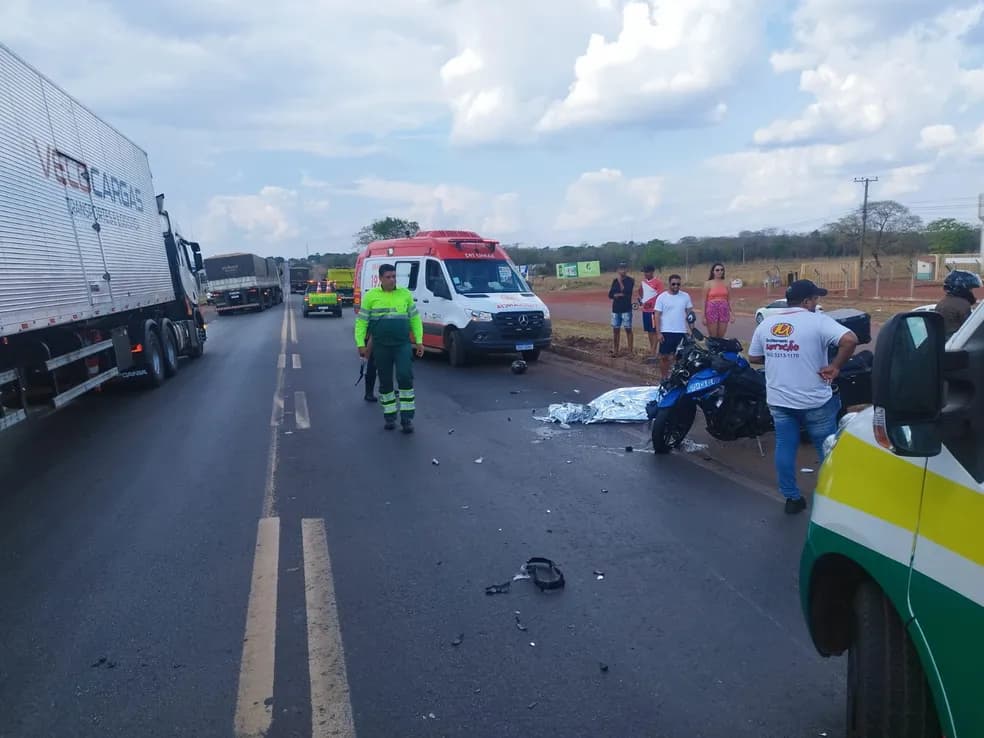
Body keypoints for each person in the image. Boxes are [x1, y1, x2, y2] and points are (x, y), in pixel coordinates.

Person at [748, 280, 858, 515]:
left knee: (785, 446)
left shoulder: (767, 323)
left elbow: (754, 357)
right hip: (815, 400)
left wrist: (780, 357)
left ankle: (791, 498)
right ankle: (833, 498)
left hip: (779, 400)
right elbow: (850, 340)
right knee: (825, 447)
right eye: (815, 299)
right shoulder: (818, 321)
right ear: (807, 301)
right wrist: (836, 366)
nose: (817, 303)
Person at [354, 264, 424, 433]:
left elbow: (415, 319)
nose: (392, 280)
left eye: (394, 276)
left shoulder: (405, 294)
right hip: (381, 346)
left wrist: (419, 341)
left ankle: (407, 419)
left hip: (402, 345)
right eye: (388, 277)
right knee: (385, 382)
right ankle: (390, 416)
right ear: (380, 278)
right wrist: (360, 344)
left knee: (405, 377)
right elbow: (361, 322)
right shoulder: (371, 297)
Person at [653, 275, 693, 379]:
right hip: (666, 331)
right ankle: (664, 378)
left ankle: (676, 378)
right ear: (669, 284)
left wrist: (692, 330)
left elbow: (690, 314)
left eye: (678, 284)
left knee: (679, 357)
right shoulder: (662, 297)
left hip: (681, 332)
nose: (676, 286)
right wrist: (658, 332)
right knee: (664, 357)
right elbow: (657, 315)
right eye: (673, 284)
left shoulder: (685, 296)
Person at [936, 269, 982, 338]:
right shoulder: (963, 305)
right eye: (970, 289)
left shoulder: (942, 302)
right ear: (963, 289)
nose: (972, 292)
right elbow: (971, 331)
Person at [635, 265, 664, 357]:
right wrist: (641, 299)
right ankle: (653, 350)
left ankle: (653, 351)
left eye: (647, 272)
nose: (645, 274)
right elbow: (639, 291)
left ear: (652, 272)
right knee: (649, 331)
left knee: (654, 331)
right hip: (645, 310)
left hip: (653, 311)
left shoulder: (657, 282)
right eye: (644, 272)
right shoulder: (643, 282)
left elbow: (661, 296)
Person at [608, 262, 635, 356]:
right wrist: (617, 295)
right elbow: (610, 294)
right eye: (620, 269)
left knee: (628, 329)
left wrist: (620, 283)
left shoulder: (630, 280)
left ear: (627, 270)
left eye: (624, 268)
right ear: (618, 270)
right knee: (616, 330)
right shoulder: (614, 281)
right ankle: (615, 350)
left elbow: (626, 292)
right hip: (616, 309)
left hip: (626, 308)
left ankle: (630, 351)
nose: (622, 271)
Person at [702, 262, 734, 338]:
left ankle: (720, 349)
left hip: (724, 310)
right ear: (713, 271)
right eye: (717, 270)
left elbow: (729, 299)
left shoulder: (727, 283)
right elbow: (704, 301)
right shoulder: (708, 284)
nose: (720, 272)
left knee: (721, 334)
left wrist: (733, 314)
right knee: (713, 335)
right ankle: (713, 349)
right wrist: (703, 316)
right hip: (711, 310)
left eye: (721, 270)